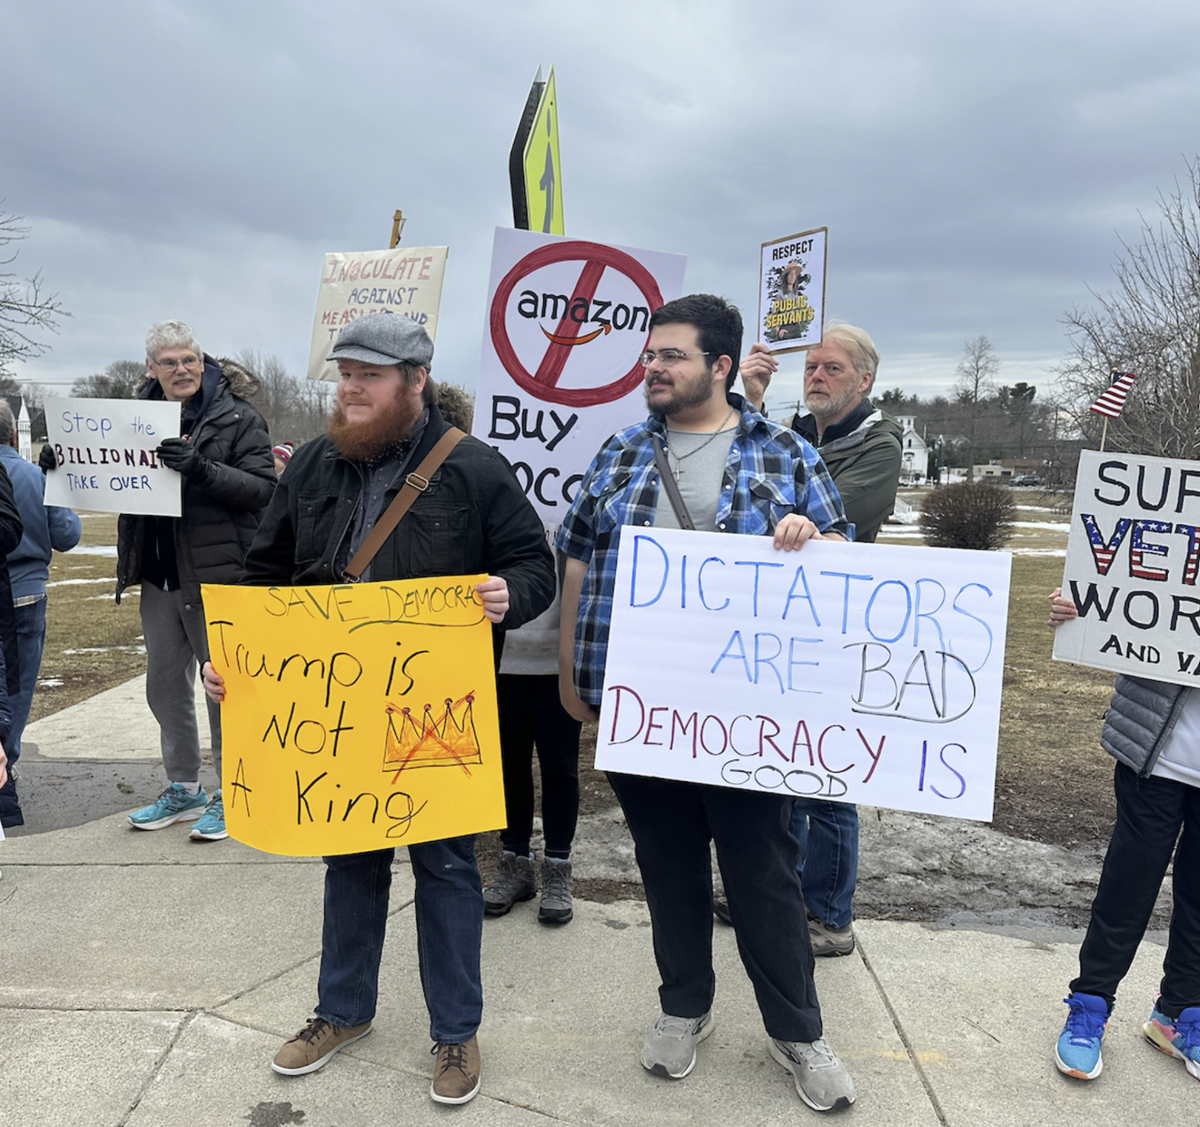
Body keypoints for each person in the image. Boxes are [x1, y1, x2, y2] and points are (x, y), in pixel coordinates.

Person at [203, 311, 554, 1105]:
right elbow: (263, 575)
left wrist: (511, 594)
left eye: (368, 374)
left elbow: (533, 561)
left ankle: (456, 1032)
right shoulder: (315, 464)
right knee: (350, 862)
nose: (350, 387)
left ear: (415, 381)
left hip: (431, 712)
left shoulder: (473, 467)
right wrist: (230, 656)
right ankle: (342, 1011)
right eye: (344, 373)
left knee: (446, 867)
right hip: (330, 707)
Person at [558, 293, 857, 1112]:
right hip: (640, 707)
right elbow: (578, 560)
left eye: (672, 356)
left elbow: (846, 557)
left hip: (748, 716)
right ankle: (683, 1006)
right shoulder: (619, 451)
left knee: (764, 870)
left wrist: (813, 538)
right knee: (668, 867)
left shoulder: (786, 452)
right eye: (650, 356)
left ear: (720, 367)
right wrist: (568, 675)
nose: (652, 368)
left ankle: (797, 1029)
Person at [735, 324, 901, 956]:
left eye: (832, 368)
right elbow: (742, 480)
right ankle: (776, 894)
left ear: (864, 379)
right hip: (779, 624)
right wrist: (750, 400)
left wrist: (798, 517)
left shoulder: (878, 445)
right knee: (776, 762)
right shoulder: (796, 434)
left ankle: (830, 915)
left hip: (836, 626)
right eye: (810, 366)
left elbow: (833, 515)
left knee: (828, 775)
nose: (815, 376)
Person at [102, 321, 274, 841]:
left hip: (217, 577)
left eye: (190, 360)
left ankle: (233, 792)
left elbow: (264, 489)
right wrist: (60, 464)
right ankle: (183, 786)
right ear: (151, 368)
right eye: (170, 362)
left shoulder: (238, 416)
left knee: (224, 686)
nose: (182, 370)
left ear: (203, 362)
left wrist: (200, 469)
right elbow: (105, 471)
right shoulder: (129, 421)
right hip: (158, 575)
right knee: (164, 687)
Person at [1048, 589, 1199, 1083]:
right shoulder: (1177, 523)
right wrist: (1084, 609)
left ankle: (1179, 1015)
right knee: (1127, 889)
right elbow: (1122, 588)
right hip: (1155, 754)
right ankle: (1090, 1006)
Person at [0, 401, 81, 825]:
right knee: (16, 691)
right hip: (25, 594)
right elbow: (67, 535)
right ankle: (3, 774)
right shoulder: (35, 476)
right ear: (15, 435)